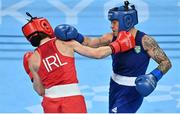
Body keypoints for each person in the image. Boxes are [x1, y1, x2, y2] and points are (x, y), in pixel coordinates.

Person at [63, 1, 172, 113]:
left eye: (114, 22)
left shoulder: (145, 41)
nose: (111, 26)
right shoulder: (111, 37)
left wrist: (154, 76)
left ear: (127, 21)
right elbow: (90, 42)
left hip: (133, 90)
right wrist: (76, 36)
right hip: (115, 86)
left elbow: (166, 62)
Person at [22, 12, 135, 113]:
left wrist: (32, 75)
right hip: (72, 99)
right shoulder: (64, 43)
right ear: (46, 26)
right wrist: (119, 45)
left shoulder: (32, 60)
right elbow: (97, 54)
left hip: (50, 103)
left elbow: (40, 91)